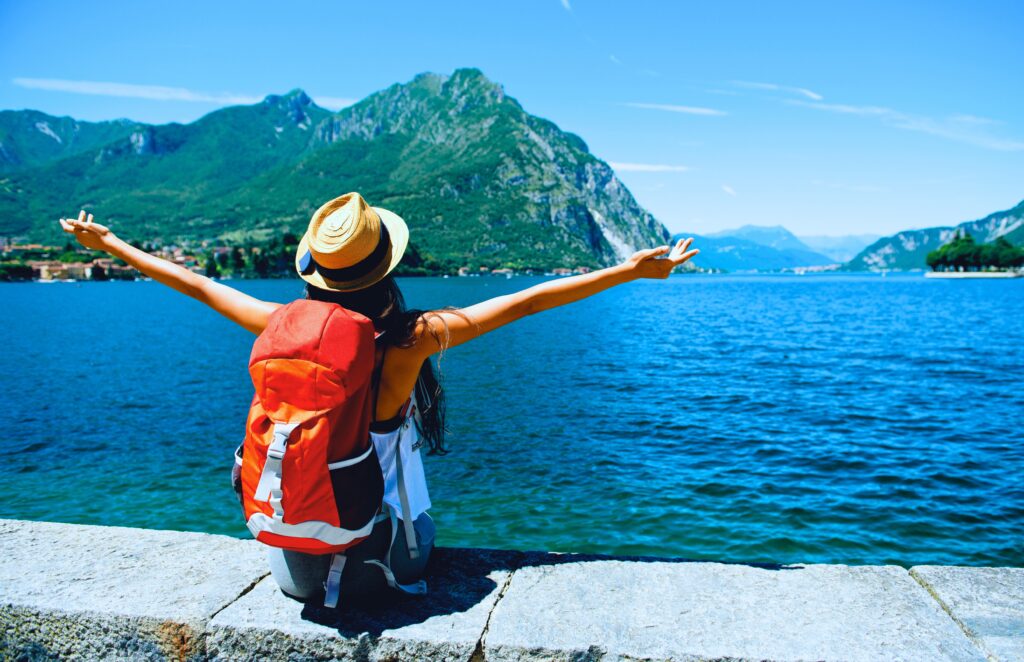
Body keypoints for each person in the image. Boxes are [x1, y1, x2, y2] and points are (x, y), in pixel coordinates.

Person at [58, 192, 699, 601]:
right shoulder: (409, 338)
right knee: (423, 522)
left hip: (294, 562)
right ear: (385, 266)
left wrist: (110, 244)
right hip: (390, 558)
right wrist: (631, 271)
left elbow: (196, 286)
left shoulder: (279, 323)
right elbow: (528, 301)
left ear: (319, 270)